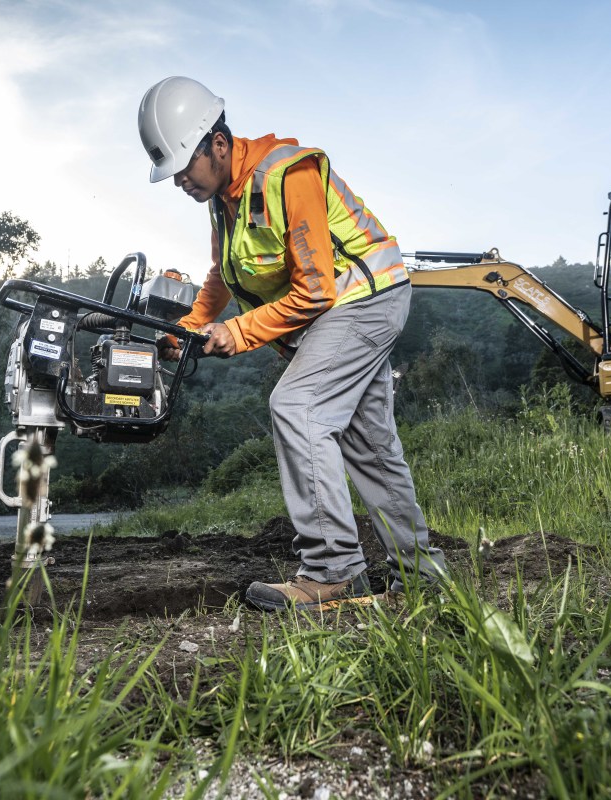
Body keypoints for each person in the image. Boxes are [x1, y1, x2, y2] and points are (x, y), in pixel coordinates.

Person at [138, 76, 445, 612]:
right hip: (345, 307)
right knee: (370, 444)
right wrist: (188, 327)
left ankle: (332, 571)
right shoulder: (223, 200)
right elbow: (223, 273)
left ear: (218, 143)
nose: (180, 180)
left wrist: (236, 331)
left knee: (298, 406)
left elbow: (316, 290)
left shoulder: (286, 174)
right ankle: (422, 573)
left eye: (185, 165)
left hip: (363, 298)